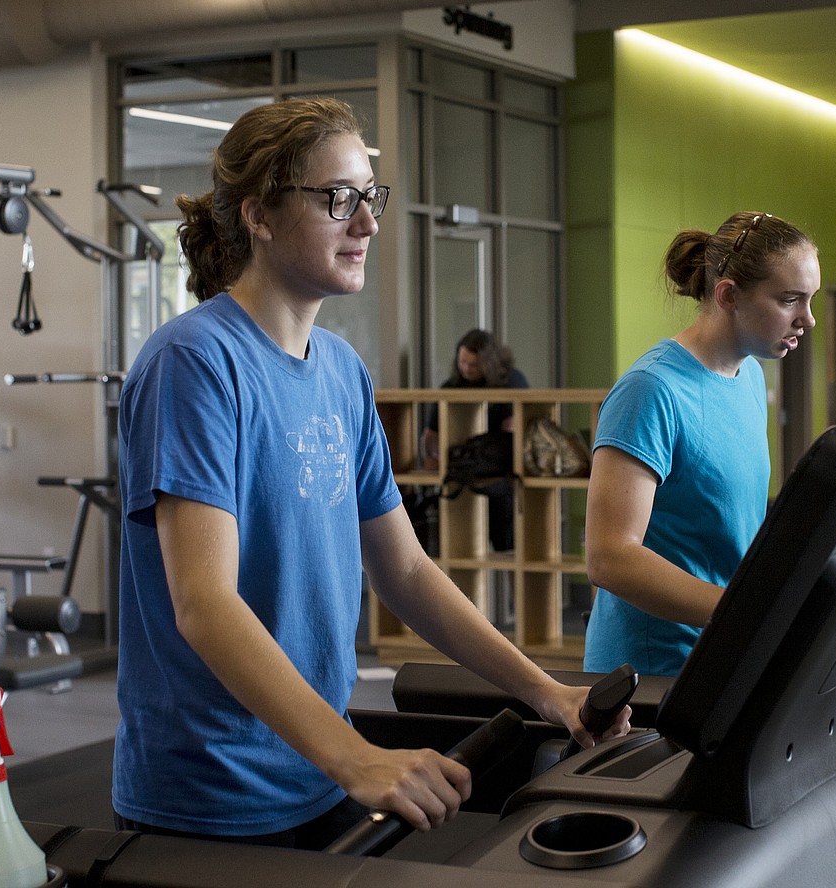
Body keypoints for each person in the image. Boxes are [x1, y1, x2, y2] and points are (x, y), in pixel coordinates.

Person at [112, 97, 629, 849]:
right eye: (338, 199)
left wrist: (548, 693)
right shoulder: (194, 362)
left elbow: (406, 571)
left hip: (316, 773)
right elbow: (205, 604)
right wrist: (356, 757)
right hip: (213, 797)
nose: (368, 223)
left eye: (369, 196)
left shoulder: (342, 372)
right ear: (259, 215)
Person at [583, 212, 820, 677]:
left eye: (809, 300)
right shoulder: (650, 391)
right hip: (652, 673)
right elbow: (610, 558)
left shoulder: (749, 374)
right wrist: (745, 612)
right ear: (728, 295)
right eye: (790, 300)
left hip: (724, 653)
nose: (807, 319)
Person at [420, 329, 528, 551]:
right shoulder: (451, 387)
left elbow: (514, 428)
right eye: (463, 362)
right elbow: (431, 434)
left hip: (502, 477)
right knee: (459, 548)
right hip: (463, 478)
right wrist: (430, 457)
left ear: (489, 364)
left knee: (509, 549)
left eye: (474, 365)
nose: (467, 369)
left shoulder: (511, 382)